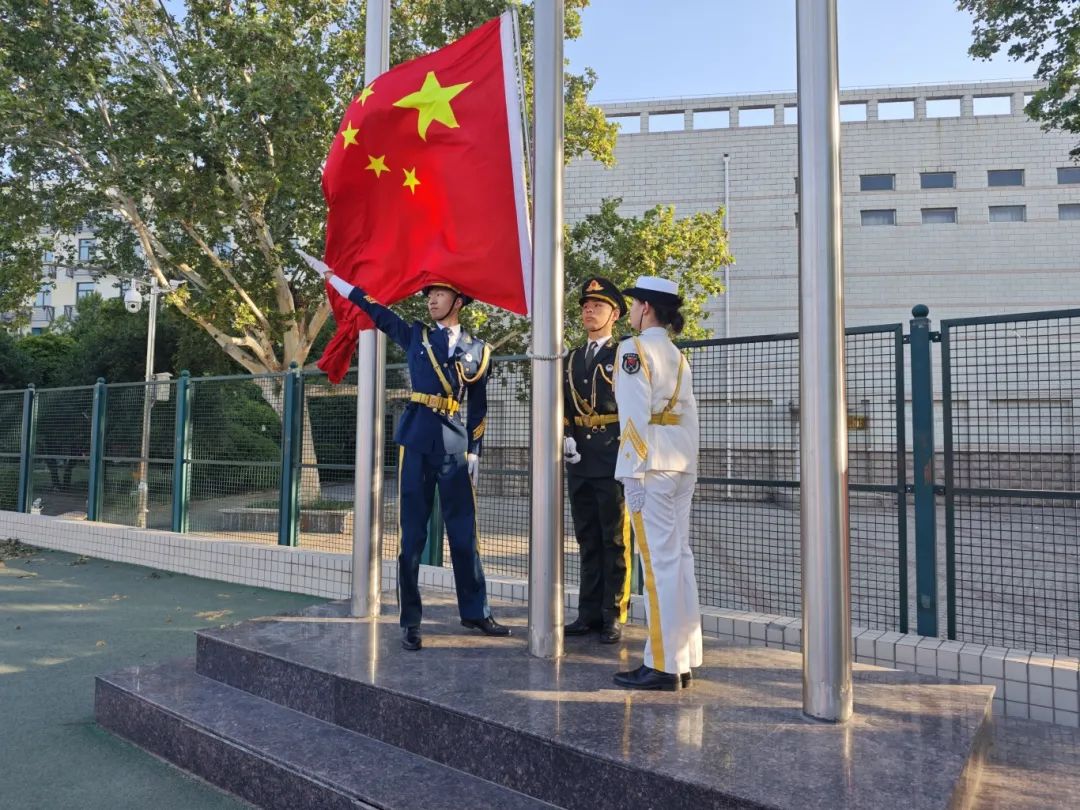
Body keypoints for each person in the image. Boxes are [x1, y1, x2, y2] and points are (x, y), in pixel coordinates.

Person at [299, 250, 510, 651]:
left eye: (439, 294)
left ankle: (476, 612)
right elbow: (372, 307)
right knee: (411, 536)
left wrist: (475, 451)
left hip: (454, 445)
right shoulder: (415, 335)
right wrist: (334, 278)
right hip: (415, 441)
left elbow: (478, 406)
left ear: (458, 301)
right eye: (429, 295)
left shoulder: (478, 350)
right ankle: (410, 621)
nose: (431, 300)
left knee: (464, 534)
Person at [611, 275, 702, 691]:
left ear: (645, 308)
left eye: (633, 304)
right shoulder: (678, 356)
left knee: (658, 564)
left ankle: (663, 665)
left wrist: (631, 472)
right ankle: (685, 657)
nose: (630, 311)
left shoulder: (633, 349)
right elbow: (689, 416)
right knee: (679, 558)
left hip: (649, 466)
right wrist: (689, 464)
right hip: (680, 463)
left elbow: (632, 414)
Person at [562, 277, 631, 644]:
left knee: (614, 539)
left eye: (598, 306)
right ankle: (587, 612)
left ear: (614, 314)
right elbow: (563, 404)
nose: (589, 311)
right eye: (586, 306)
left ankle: (613, 613)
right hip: (579, 458)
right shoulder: (572, 357)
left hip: (613, 454)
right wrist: (565, 434)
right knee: (587, 538)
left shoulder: (624, 355)